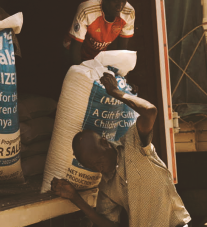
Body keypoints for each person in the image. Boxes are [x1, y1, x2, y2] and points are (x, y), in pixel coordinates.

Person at [51, 72, 191, 227]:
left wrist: (114, 92)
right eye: (93, 166)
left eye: (99, 161)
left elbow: (150, 112)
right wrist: (75, 198)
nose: (99, 168)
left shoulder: (133, 143)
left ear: (105, 143)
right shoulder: (107, 189)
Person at [63, 0, 135, 65]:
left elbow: (122, 51)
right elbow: (75, 50)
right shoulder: (87, 10)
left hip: (95, 55)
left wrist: (122, 77)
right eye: (115, 1)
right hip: (73, 51)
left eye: (124, 1)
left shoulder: (128, 12)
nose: (120, 6)